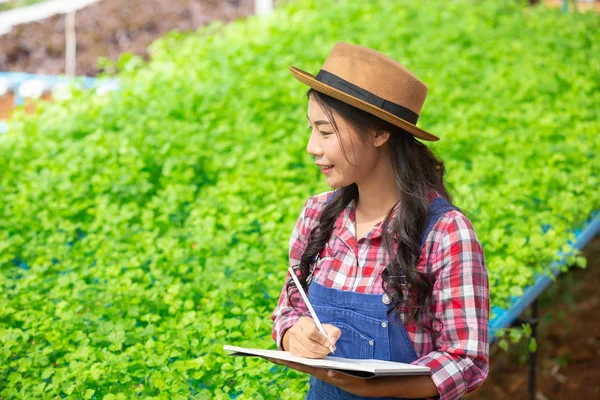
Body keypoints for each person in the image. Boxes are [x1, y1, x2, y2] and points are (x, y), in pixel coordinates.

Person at [268, 42, 489, 400]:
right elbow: (287, 310)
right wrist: (295, 335)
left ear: (379, 133)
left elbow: (466, 359)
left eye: (325, 132)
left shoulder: (446, 233)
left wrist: (378, 386)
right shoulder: (316, 216)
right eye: (311, 129)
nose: (312, 146)